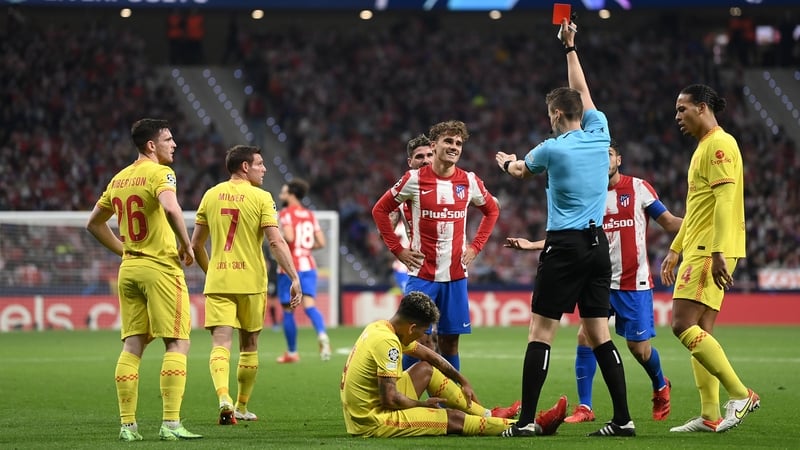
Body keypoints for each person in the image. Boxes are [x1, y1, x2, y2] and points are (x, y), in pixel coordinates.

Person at [494, 19, 634, 437]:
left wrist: (505, 162)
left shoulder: (550, 149)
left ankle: (525, 423)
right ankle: (623, 419)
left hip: (565, 246)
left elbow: (520, 171)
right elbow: (584, 92)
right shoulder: (600, 132)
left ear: (555, 114)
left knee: (541, 332)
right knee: (599, 334)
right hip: (598, 247)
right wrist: (570, 48)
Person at [506, 140, 683, 424]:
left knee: (639, 349)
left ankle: (661, 383)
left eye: (609, 154)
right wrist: (532, 246)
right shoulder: (591, 192)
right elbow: (570, 234)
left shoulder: (638, 188)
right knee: (586, 336)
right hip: (596, 278)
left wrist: (705, 228)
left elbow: (670, 222)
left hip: (632, 281)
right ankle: (585, 407)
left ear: (619, 159)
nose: (605, 159)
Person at [86, 118, 202, 441]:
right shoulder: (161, 173)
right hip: (159, 268)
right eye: (168, 139)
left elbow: (93, 224)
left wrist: (123, 248)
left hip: (129, 269)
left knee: (133, 345)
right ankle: (171, 424)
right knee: (178, 342)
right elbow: (171, 208)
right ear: (152, 145)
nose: (174, 144)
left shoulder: (120, 178)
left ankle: (128, 426)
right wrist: (186, 244)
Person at [662, 84, 759, 433]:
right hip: (701, 246)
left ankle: (741, 393)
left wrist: (716, 251)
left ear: (702, 108)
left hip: (709, 250)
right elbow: (698, 209)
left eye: (682, 109)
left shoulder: (719, 145)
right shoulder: (705, 146)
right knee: (702, 331)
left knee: (681, 324)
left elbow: (725, 201)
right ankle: (709, 415)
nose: (677, 117)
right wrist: (675, 248)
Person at [372, 120, 500, 373]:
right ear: (435, 145)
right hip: (422, 274)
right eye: (448, 141)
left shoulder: (469, 181)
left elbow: (492, 210)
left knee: (450, 342)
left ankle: (448, 403)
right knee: (414, 340)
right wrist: (398, 250)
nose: (454, 147)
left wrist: (475, 247)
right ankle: (405, 396)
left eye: (458, 143)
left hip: (455, 274)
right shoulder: (413, 179)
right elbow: (380, 210)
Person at [191, 145, 302, 425]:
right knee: (249, 344)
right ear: (244, 167)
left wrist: (212, 271)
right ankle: (241, 405)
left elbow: (196, 245)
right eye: (260, 164)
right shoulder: (262, 198)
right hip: (251, 282)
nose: (264, 169)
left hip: (219, 281)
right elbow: (276, 241)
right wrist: (293, 276)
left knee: (220, 343)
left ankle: (223, 398)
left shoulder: (210, 195)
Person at [339, 291, 551, 438]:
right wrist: (424, 405)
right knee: (454, 419)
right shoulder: (388, 343)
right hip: (373, 421)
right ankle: (520, 426)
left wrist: (462, 380)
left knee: (425, 369)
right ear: (412, 328)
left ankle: (487, 415)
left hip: (370, 403)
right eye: (423, 331)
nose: (424, 336)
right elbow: (390, 399)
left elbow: (429, 356)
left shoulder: (382, 328)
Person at [275, 178, 331, 363]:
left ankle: (292, 353)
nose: (281, 195)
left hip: (289, 267)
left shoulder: (285, 213)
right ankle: (322, 335)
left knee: (288, 310)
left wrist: (276, 235)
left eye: (284, 192)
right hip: (309, 264)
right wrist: (304, 248)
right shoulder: (309, 215)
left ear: (291, 194)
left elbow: (289, 236)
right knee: (309, 306)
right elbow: (321, 242)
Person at [390, 134, 434, 295]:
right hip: (419, 269)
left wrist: (474, 248)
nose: (426, 160)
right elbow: (383, 228)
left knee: (451, 320)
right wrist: (398, 251)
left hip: (452, 270)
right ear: (410, 162)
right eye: (419, 156)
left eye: (430, 155)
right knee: (418, 318)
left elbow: (491, 206)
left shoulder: (456, 182)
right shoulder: (402, 193)